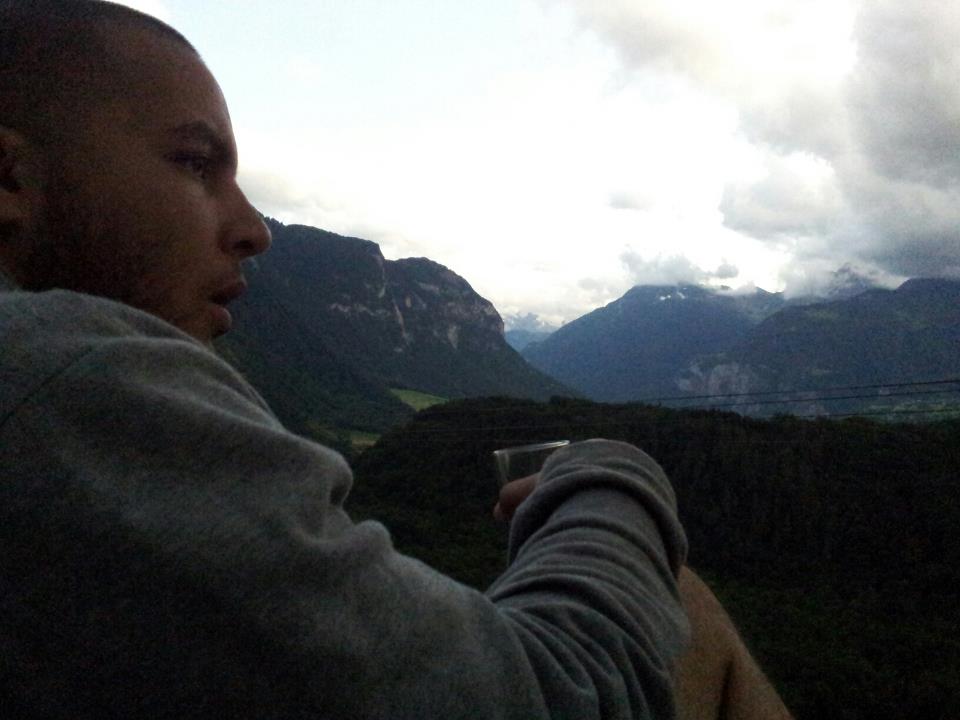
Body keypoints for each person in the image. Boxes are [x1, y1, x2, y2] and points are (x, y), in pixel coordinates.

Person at [0, 2, 788, 718]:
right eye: (195, 162)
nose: (254, 230)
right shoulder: (64, 380)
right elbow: (564, 694)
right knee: (678, 602)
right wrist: (612, 481)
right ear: (9, 177)